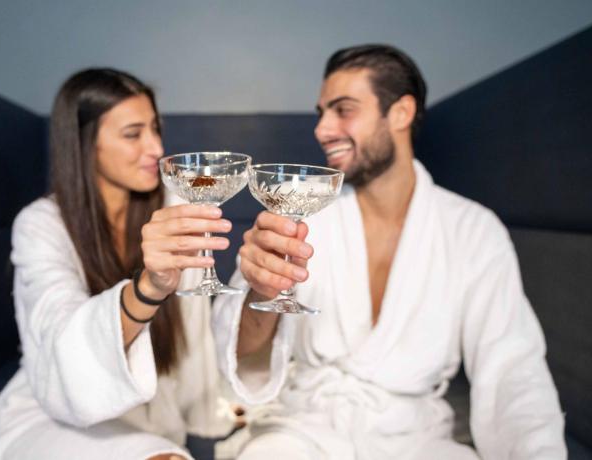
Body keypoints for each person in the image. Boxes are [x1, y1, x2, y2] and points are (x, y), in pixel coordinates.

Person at [213, 45, 566, 459]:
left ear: (401, 113)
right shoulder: (306, 215)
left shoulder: (472, 230)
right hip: (306, 429)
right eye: (321, 113)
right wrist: (260, 290)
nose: (322, 130)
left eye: (343, 110)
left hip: (415, 439)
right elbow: (240, 349)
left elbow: (513, 370)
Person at [0, 68, 239, 460]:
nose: (155, 148)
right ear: (84, 144)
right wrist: (147, 289)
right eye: (133, 134)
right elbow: (57, 330)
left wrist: (208, 408)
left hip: (148, 407)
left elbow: (194, 329)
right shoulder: (42, 224)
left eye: (155, 128)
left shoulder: (175, 205)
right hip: (57, 404)